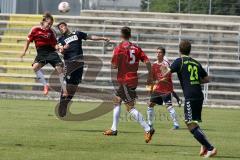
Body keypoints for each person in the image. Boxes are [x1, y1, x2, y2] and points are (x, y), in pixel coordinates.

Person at [103, 26, 155, 143]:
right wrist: (150, 76)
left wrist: (113, 56)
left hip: (126, 80)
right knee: (116, 101)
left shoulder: (118, 48)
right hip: (131, 80)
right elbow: (147, 61)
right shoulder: (136, 48)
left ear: (121, 35)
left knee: (130, 108)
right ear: (130, 35)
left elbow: (114, 66)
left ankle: (148, 128)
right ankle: (114, 129)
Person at [166, 40, 217, 158]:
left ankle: (210, 148)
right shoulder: (195, 62)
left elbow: (166, 73)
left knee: (189, 123)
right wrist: (196, 81)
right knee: (193, 122)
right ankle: (204, 145)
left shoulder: (180, 61)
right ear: (190, 50)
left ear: (179, 50)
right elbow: (207, 79)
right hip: (199, 95)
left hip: (191, 96)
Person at [56, 22, 110, 117]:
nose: (61, 29)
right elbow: (60, 50)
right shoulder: (61, 39)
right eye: (59, 28)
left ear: (66, 26)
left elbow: (90, 37)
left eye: (62, 26)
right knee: (68, 85)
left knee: (74, 87)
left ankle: (66, 103)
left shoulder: (77, 33)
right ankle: (62, 104)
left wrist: (103, 38)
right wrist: (64, 48)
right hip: (70, 62)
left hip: (80, 63)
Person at [20, 13, 67, 96]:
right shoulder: (35, 29)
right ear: (43, 21)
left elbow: (55, 44)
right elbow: (27, 42)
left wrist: (59, 48)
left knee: (59, 69)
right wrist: (24, 51)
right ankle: (45, 86)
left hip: (51, 53)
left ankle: (65, 90)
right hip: (41, 53)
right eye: (48, 23)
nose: (49, 26)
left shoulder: (51, 32)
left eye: (51, 24)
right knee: (35, 67)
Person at [147, 47, 180, 130]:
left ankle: (176, 124)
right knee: (150, 104)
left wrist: (159, 80)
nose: (158, 54)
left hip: (165, 89)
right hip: (158, 89)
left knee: (169, 106)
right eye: (157, 52)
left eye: (160, 52)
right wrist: (151, 86)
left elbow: (167, 78)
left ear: (163, 54)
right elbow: (153, 77)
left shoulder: (164, 65)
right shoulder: (154, 65)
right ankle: (150, 124)